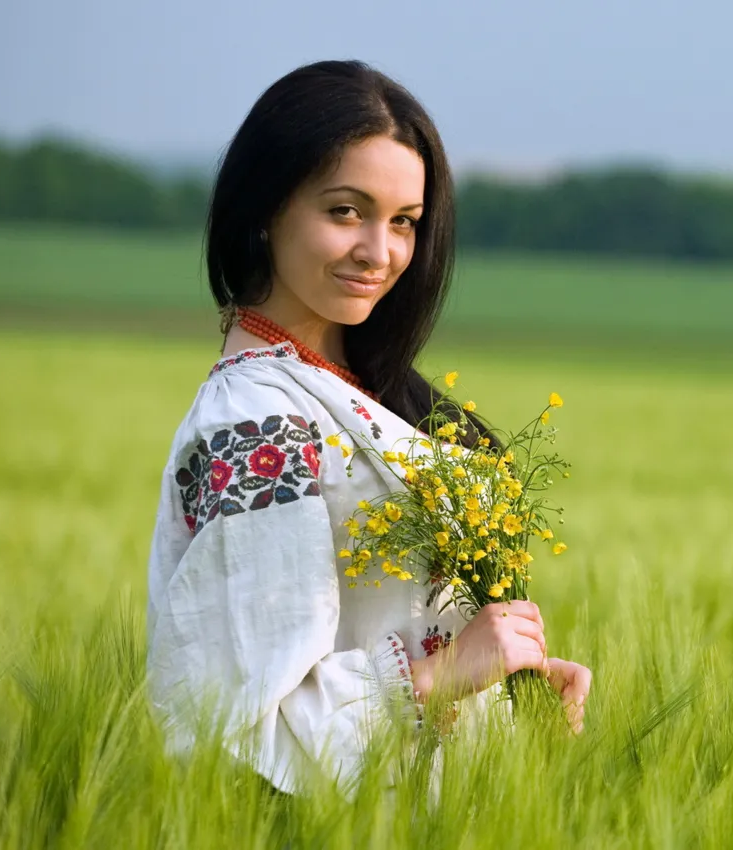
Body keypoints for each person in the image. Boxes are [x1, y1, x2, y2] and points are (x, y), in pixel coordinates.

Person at [145, 59, 591, 796]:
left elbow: (399, 619)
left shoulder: (366, 390)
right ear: (266, 208)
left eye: (404, 222)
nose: (380, 253)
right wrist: (443, 674)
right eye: (346, 211)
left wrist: (511, 687)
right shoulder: (258, 425)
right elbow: (236, 725)